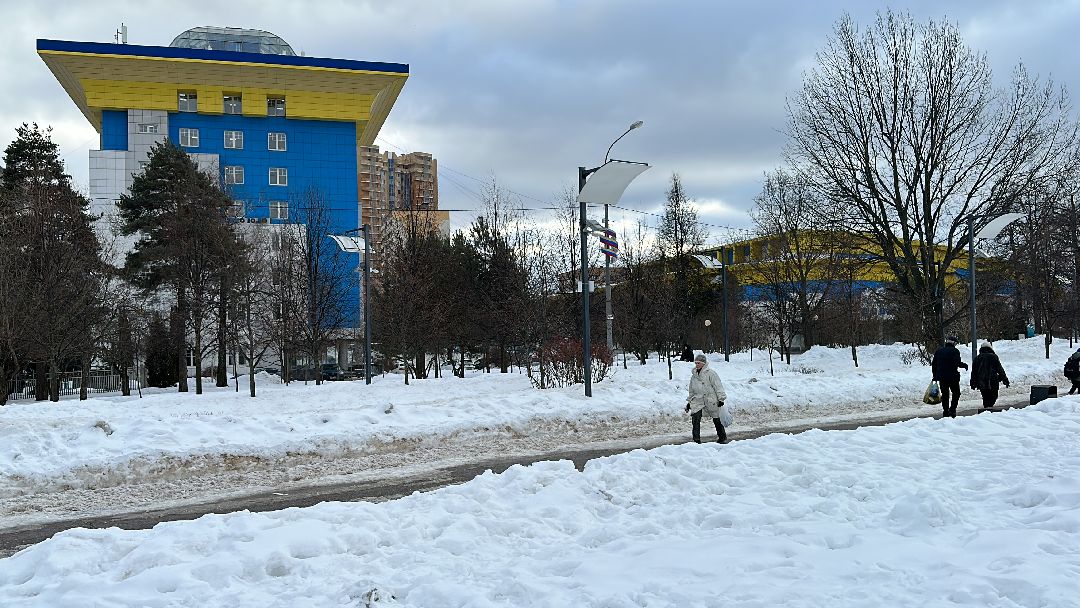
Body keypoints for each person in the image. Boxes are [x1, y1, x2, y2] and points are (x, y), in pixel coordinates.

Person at [685, 353, 727, 443]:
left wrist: (721, 399)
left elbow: (718, 386)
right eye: (696, 363)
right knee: (695, 418)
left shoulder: (711, 374)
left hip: (711, 399)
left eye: (698, 363)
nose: (696, 365)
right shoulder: (694, 376)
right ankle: (696, 440)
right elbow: (691, 390)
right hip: (698, 400)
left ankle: (722, 437)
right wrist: (689, 402)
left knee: (717, 419)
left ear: (703, 363)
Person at [931, 336, 968, 418]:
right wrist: (964, 365)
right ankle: (952, 409)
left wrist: (935, 376)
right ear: (954, 343)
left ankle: (945, 411)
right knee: (956, 393)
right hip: (952, 377)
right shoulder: (955, 351)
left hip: (942, 377)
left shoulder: (939, 351)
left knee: (945, 394)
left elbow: (934, 364)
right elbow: (957, 363)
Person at [971, 343, 1010, 410]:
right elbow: (1000, 369)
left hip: (981, 381)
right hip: (993, 380)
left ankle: (986, 410)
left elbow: (974, 372)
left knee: (985, 397)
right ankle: (988, 410)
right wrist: (1004, 379)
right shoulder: (994, 357)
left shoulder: (977, 358)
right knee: (993, 396)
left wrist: (973, 382)